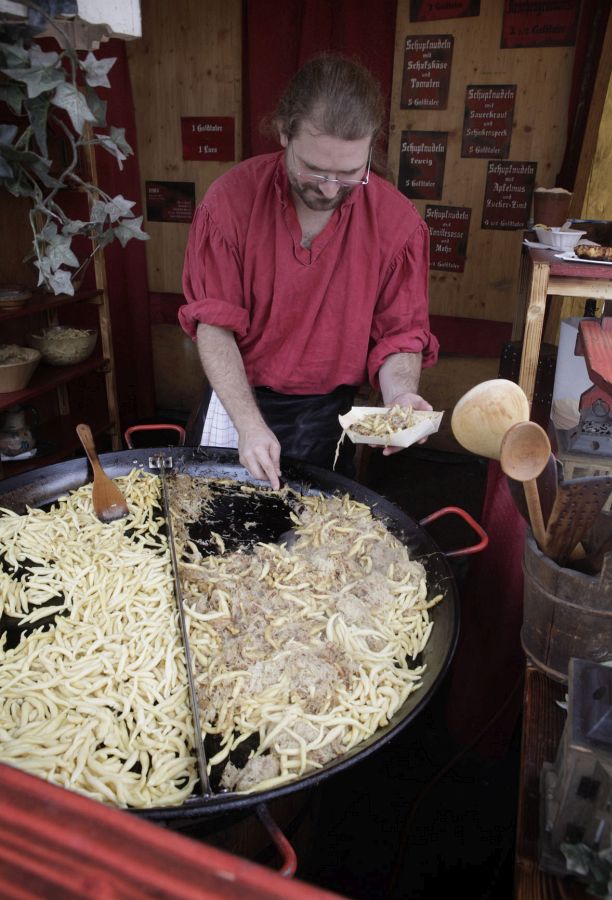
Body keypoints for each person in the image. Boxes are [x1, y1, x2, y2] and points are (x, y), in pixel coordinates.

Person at [180, 53, 439, 490]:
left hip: (328, 413)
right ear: (284, 132)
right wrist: (249, 424)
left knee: (313, 527)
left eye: (350, 173)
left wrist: (400, 396)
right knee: (215, 515)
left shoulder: (397, 223)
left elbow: (400, 335)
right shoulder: (230, 201)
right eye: (314, 169)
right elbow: (214, 326)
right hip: (237, 398)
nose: (329, 188)